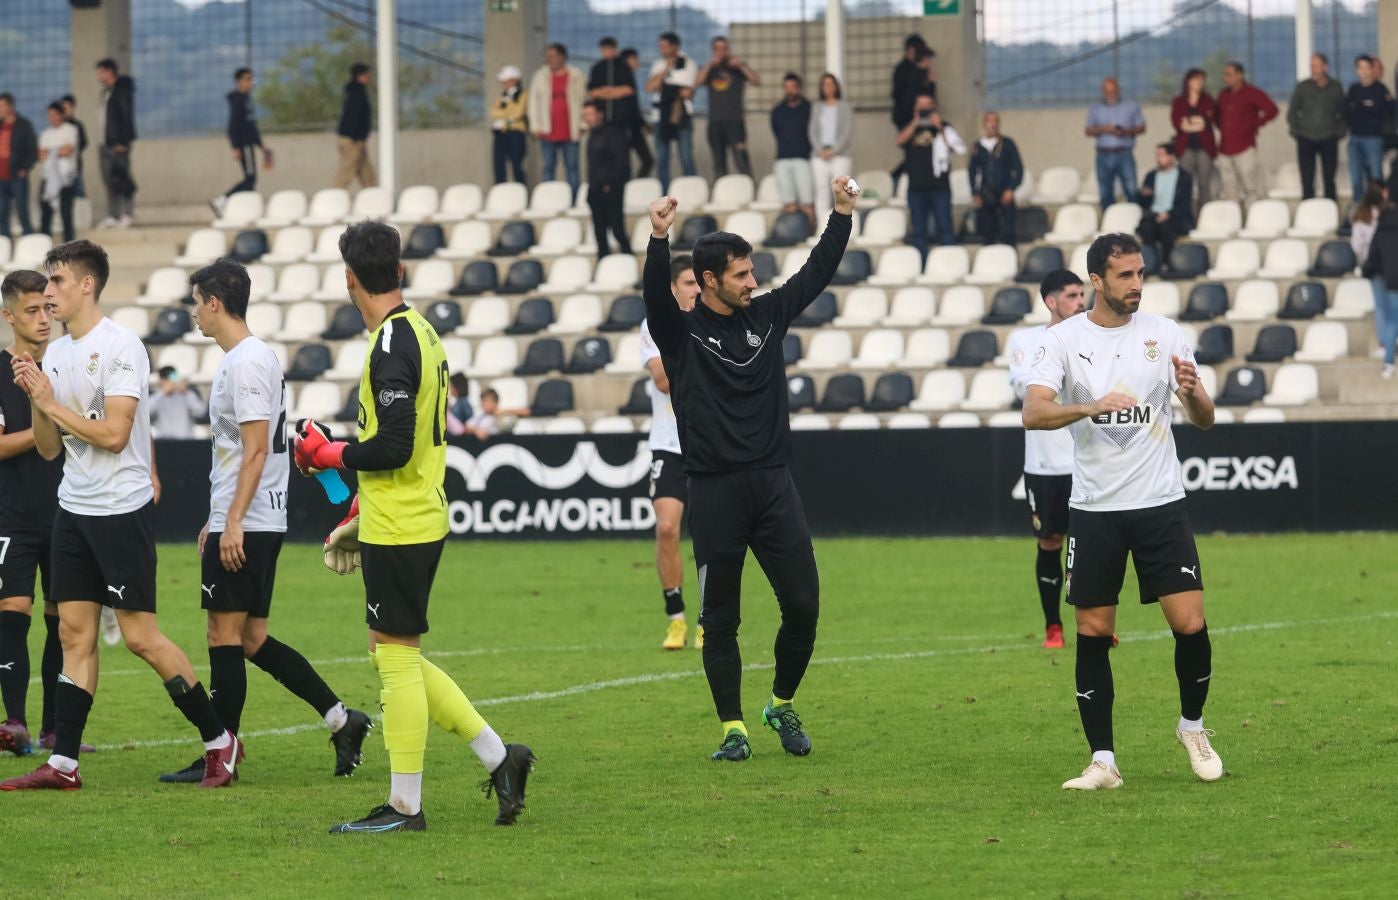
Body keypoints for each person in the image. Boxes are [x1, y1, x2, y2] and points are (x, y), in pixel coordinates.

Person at [292, 220, 534, 832]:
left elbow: (394, 445)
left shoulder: (391, 343)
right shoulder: (421, 331)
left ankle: (406, 805)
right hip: (407, 514)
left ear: (350, 279)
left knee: (395, 660)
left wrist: (330, 455)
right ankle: (500, 758)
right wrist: (356, 508)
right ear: (398, 271)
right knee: (393, 652)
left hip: (402, 525)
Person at [3, 240, 238, 791]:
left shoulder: (121, 347)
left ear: (86, 284)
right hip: (73, 510)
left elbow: (112, 434)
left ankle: (220, 742)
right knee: (76, 636)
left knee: (140, 638)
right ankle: (63, 763)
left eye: (56, 282)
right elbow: (47, 449)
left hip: (119, 510)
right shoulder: (55, 354)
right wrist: (39, 397)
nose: (48, 292)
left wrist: (52, 403)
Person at [640, 175, 859, 762]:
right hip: (713, 493)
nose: (752, 281)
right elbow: (655, 299)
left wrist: (840, 214)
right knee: (721, 618)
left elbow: (815, 273)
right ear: (709, 281)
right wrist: (659, 237)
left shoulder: (768, 316)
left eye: (752, 271)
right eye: (740, 275)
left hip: (773, 486)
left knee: (805, 606)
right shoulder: (680, 332)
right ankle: (733, 728)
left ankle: (780, 704)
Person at [155, 258, 373, 784]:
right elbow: (243, 452)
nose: (194, 314)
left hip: (248, 521)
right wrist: (219, 517)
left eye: (196, 302)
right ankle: (342, 720)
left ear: (214, 302)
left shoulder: (246, 362)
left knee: (222, 636)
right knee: (251, 638)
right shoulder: (249, 358)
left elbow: (254, 451)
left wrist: (231, 522)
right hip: (252, 518)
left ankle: (221, 752)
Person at [1023, 231, 1221, 792]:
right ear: (1096, 280)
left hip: (1161, 504)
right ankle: (1103, 761)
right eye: (1125, 276)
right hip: (1095, 508)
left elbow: (1204, 418)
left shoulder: (1165, 333)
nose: (1137, 285)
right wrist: (1090, 404)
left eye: (1140, 273)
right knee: (1093, 630)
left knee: (1190, 623)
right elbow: (1033, 413)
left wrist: (1192, 393)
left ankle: (1193, 728)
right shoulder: (1061, 340)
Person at [0, 271, 73, 756]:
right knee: (13, 611)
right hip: (12, 515)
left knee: (62, 621)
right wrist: (54, 427)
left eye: (48, 308)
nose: (44, 319)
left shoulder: (69, 364)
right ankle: (15, 723)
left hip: (68, 511)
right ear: (9, 316)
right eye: (32, 310)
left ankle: (52, 729)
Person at [1006, 270, 1086, 649]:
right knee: (1050, 543)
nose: (1080, 301)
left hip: (1085, 461)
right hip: (1043, 465)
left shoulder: (1095, 338)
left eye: (1081, 294)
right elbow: (1029, 389)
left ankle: (1094, 622)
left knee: (1090, 544)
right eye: (1071, 296)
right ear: (1050, 301)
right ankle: (1053, 626)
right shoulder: (1025, 340)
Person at [639, 254, 700, 651]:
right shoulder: (652, 326)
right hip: (669, 441)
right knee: (666, 529)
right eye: (689, 283)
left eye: (700, 283)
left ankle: (708, 620)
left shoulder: (716, 321)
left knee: (714, 536)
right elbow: (663, 381)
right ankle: (676, 618)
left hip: (709, 443)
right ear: (673, 288)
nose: (697, 289)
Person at [898, 94, 964, 261]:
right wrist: (915, 122)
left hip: (939, 186)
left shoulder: (944, 126)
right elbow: (900, 140)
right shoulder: (910, 126)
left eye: (928, 106)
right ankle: (922, 264)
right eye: (921, 106)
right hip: (916, 187)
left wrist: (939, 127)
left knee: (945, 227)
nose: (925, 109)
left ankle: (949, 263)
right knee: (919, 230)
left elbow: (956, 148)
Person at [212, 68, 273, 217]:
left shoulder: (247, 100)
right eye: (247, 79)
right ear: (239, 82)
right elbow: (233, 126)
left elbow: (252, 126)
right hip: (244, 145)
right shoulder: (238, 100)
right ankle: (222, 200)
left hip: (249, 144)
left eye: (251, 79)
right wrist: (236, 146)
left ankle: (246, 208)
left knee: (250, 180)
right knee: (250, 179)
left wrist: (261, 146)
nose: (250, 83)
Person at [1216, 61, 1278, 206]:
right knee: (1229, 188)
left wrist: (1255, 124)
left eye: (1229, 75)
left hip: (1245, 147)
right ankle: (1233, 219)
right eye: (1225, 75)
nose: (1226, 78)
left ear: (1240, 75)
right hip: (1225, 148)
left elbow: (1272, 110)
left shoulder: (1252, 93)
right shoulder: (1223, 95)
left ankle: (1255, 219)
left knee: (1251, 187)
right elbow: (1217, 117)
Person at [696, 37, 760, 178]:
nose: (721, 52)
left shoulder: (737, 68)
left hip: (735, 122)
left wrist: (742, 65)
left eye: (723, 48)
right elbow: (698, 82)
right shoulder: (710, 69)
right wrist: (709, 65)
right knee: (719, 163)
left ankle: (748, 188)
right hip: (715, 122)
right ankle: (721, 194)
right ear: (713, 50)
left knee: (741, 160)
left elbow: (756, 80)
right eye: (717, 49)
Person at [528, 44, 585, 198]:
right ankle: (549, 198)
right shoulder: (540, 75)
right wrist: (535, 125)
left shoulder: (576, 74)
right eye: (548, 56)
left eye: (553, 56)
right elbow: (533, 102)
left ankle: (574, 199)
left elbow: (584, 100)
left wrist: (583, 124)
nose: (550, 60)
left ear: (562, 57)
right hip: (547, 131)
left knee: (572, 167)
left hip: (570, 130)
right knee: (548, 167)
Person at [1286, 54, 1345, 201]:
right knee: (1307, 178)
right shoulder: (1302, 87)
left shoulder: (1335, 87)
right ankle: (1307, 210)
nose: (1314, 69)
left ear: (1325, 67)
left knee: (1329, 178)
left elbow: (1343, 112)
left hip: (1329, 137)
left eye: (1317, 65)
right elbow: (1292, 112)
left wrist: (1339, 132)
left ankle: (1330, 210)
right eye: (1312, 66)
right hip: (1306, 137)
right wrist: (1296, 132)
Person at [589, 39, 651, 178]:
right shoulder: (598, 68)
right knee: (618, 160)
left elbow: (629, 90)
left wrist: (607, 91)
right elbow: (594, 92)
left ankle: (635, 185)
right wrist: (616, 92)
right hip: (607, 124)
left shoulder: (623, 68)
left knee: (644, 159)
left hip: (628, 124)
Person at [647, 32, 698, 193]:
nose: (662, 49)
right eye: (660, 46)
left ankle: (691, 190)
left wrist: (668, 88)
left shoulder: (689, 64)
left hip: (681, 115)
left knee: (686, 156)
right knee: (662, 158)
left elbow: (687, 91)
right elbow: (650, 87)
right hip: (660, 116)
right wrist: (666, 70)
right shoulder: (658, 65)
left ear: (675, 46)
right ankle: (664, 192)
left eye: (665, 46)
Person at [1085, 78, 1146, 208]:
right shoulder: (1095, 108)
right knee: (1105, 193)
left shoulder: (1131, 106)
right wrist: (1103, 129)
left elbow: (1141, 127)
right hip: (1103, 155)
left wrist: (1125, 131)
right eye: (1107, 91)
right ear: (1102, 91)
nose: (1110, 94)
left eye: (1113, 91)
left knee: (1131, 191)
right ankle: (1108, 222)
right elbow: (1088, 130)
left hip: (1125, 153)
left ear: (1118, 90)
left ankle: (1135, 220)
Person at [583, 100, 631, 258]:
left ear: (600, 114)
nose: (587, 118)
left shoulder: (613, 133)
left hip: (611, 190)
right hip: (595, 191)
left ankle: (629, 258)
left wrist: (610, 184)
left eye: (590, 114)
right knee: (600, 233)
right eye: (585, 115)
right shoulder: (591, 136)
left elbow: (621, 161)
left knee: (617, 230)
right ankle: (602, 263)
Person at [968, 110, 1024, 245]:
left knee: (1008, 233)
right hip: (986, 194)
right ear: (984, 124)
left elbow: (1018, 169)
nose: (992, 125)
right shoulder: (978, 146)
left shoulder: (1008, 144)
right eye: (989, 121)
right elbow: (972, 171)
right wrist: (975, 193)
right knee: (988, 234)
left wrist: (1011, 189)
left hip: (1005, 192)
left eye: (995, 121)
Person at [1137, 143, 1195, 267]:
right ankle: (1150, 263)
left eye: (1162, 155)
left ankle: (1166, 263)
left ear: (1172, 157)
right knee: (1146, 228)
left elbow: (1185, 203)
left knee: (1166, 227)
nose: (1158, 158)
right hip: (1153, 214)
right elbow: (1141, 203)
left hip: (1174, 215)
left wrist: (1168, 214)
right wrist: (1143, 195)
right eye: (1157, 155)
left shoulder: (1184, 177)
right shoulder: (1151, 176)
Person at [1345, 55, 1393, 206]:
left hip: (1373, 139)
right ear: (1357, 70)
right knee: (1356, 178)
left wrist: (1366, 111)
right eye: (1360, 68)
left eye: (1367, 67)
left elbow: (1386, 112)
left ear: (1372, 69)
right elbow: (1346, 110)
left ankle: (1378, 210)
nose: (1363, 71)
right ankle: (1360, 211)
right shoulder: (1354, 89)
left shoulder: (1380, 89)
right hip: (1355, 139)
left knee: (1375, 176)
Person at [1361, 189, 1398, 378]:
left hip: (1391, 281)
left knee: (1392, 321)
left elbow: (1373, 256)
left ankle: (1388, 364)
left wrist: (1385, 272)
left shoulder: (1382, 228)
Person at [95, 58, 136, 228]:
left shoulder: (122, 91)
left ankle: (127, 213)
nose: (98, 76)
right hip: (105, 142)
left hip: (117, 143)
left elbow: (126, 118)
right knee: (110, 180)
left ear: (109, 71)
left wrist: (123, 141)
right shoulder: (105, 92)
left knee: (122, 177)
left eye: (100, 71)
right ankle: (113, 214)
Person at [809, 73, 854, 228]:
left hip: (840, 155)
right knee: (821, 192)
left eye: (831, 84)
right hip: (819, 154)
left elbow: (846, 132)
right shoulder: (817, 107)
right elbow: (812, 130)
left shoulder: (844, 107)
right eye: (825, 84)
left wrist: (834, 150)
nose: (828, 87)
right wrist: (819, 149)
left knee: (840, 192)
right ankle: (823, 228)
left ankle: (840, 227)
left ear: (836, 86)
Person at [1170, 68, 1218, 212]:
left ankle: (1205, 215)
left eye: (1202, 80)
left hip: (1204, 148)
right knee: (1186, 184)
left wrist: (1192, 123)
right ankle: (1188, 217)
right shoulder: (1179, 101)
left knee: (1204, 183)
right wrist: (1195, 123)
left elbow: (1207, 121)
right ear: (1188, 82)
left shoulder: (1208, 100)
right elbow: (1178, 123)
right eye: (1197, 79)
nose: (1200, 83)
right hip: (1186, 148)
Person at [770, 73, 815, 226]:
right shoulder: (778, 111)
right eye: (787, 87)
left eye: (793, 87)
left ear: (799, 88)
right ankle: (795, 231)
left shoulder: (809, 108)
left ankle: (813, 232)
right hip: (782, 159)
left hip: (803, 159)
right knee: (789, 203)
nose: (790, 91)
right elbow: (776, 132)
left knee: (807, 202)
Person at [38, 102, 79, 244]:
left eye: (54, 115)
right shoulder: (45, 134)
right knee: (45, 214)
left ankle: (69, 246)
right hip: (48, 178)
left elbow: (67, 151)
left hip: (65, 179)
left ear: (61, 115)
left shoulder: (70, 130)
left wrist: (51, 151)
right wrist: (56, 151)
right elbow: (41, 155)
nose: (51, 118)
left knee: (66, 213)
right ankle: (44, 244)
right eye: (49, 115)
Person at [334, 63, 376, 190]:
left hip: (354, 139)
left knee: (367, 175)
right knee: (345, 174)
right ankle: (333, 201)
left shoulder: (355, 92)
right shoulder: (357, 93)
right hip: (352, 140)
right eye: (367, 74)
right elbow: (355, 116)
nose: (369, 77)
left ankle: (373, 198)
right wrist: (358, 138)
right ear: (360, 76)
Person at [0, 94, 37, 237]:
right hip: (1, 178)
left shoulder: (24, 124)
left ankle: (29, 243)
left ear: (10, 106)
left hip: (17, 176)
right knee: (2, 214)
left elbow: (32, 149)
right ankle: (3, 247)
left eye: (2, 106)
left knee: (22, 212)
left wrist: (25, 168)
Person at [618, 48, 654, 177]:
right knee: (628, 163)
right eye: (635, 59)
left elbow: (633, 105)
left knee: (647, 160)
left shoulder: (630, 76)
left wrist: (642, 123)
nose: (637, 62)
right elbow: (629, 106)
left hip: (635, 126)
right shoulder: (622, 78)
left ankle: (637, 185)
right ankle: (631, 188)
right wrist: (642, 123)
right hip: (627, 127)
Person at [490, 66, 528, 186]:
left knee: (517, 165)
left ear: (514, 80)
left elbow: (518, 113)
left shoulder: (523, 94)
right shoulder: (503, 96)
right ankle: (500, 191)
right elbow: (493, 112)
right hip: (500, 134)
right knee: (499, 166)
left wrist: (504, 118)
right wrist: (507, 114)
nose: (504, 84)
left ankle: (521, 190)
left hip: (516, 133)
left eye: (506, 81)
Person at [891, 35, 937, 134]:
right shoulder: (901, 69)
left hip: (923, 115)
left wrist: (932, 83)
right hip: (904, 116)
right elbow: (897, 94)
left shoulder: (923, 70)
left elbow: (929, 95)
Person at [148, 365, 203, 439]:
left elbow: (200, 412)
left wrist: (186, 393)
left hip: (185, 440)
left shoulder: (186, 394)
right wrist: (162, 393)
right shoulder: (157, 396)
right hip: (164, 441)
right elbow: (147, 412)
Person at [60, 95, 88, 201]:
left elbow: (84, 142)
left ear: (73, 108)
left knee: (79, 192)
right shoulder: (59, 126)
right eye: (63, 108)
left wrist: (72, 149)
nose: (65, 111)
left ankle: (83, 215)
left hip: (75, 165)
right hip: (61, 167)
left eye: (67, 108)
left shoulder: (77, 125)